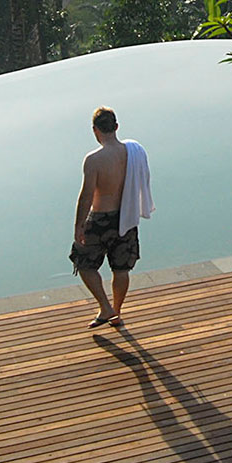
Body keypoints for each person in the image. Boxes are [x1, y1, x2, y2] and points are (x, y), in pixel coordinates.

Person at [70, 106, 153, 329]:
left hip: (99, 220)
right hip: (125, 217)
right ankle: (115, 311)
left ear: (94, 130)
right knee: (121, 269)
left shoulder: (94, 160)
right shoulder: (132, 152)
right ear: (116, 127)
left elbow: (86, 196)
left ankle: (106, 308)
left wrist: (79, 226)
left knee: (84, 264)